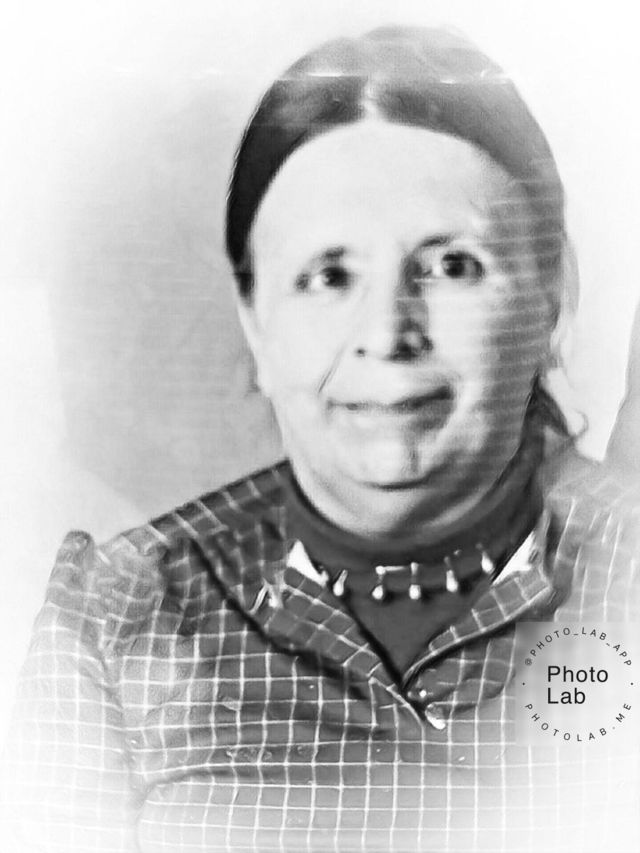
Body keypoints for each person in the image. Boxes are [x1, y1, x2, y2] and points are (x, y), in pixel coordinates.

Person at [2, 25, 639, 853]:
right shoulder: (122, 609)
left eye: (451, 266)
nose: (386, 334)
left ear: (553, 295)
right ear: (256, 324)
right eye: (329, 275)